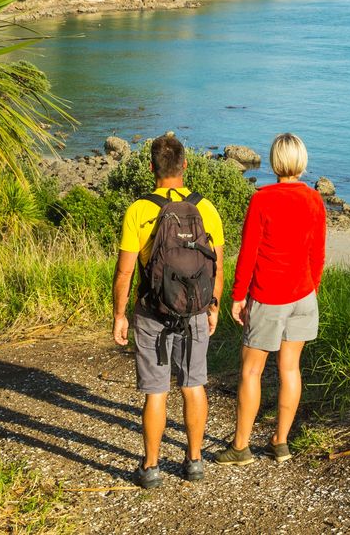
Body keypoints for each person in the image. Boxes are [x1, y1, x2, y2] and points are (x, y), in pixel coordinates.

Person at [112, 133, 224, 488]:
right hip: (194, 310)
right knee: (193, 385)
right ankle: (194, 461)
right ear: (185, 166)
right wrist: (213, 305)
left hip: (152, 311)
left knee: (156, 392)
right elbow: (217, 264)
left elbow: (125, 270)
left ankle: (152, 467)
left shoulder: (139, 210)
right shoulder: (205, 208)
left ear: (151, 169)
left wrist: (119, 315)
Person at [213, 133, 327, 465]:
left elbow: (248, 253)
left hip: (268, 296)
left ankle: (240, 447)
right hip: (304, 296)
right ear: (302, 162)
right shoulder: (314, 200)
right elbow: (317, 255)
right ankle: (280, 443)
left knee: (251, 372)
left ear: (275, 161)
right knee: (290, 368)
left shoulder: (262, 199)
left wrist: (238, 296)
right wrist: (311, 290)